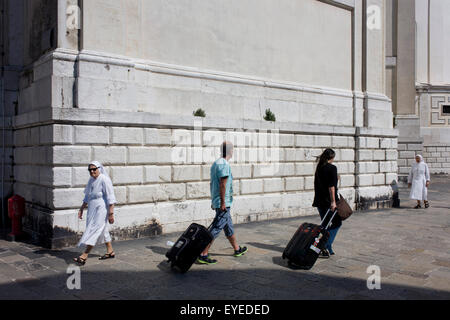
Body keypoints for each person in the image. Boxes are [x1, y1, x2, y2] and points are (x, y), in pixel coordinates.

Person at [197, 141, 248, 265]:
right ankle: (203, 254)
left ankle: (237, 249)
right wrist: (223, 203)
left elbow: (213, 183)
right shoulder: (223, 164)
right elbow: (222, 184)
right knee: (216, 228)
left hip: (219, 201)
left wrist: (214, 200)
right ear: (231, 151)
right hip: (223, 202)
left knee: (228, 226)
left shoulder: (216, 163)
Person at [73, 161, 117, 265]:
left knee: (95, 229)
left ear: (99, 168)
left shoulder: (104, 179)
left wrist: (111, 214)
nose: (92, 171)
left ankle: (84, 255)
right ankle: (110, 251)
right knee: (103, 229)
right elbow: (87, 196)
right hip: (92, 208)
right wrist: (81, 208)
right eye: (90, 170)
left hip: (101, 208)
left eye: (94, 169)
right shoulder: (91, 180)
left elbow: (111, 197)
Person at [312, 148, 342, 258]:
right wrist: (333, 202)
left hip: (319, 201)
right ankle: (323, 244)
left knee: (324, 225)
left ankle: (327, 248)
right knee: (337, 223)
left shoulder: (319, 167)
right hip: (328, 202)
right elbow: (331, 187)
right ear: (332, 157)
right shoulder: (332, 168)